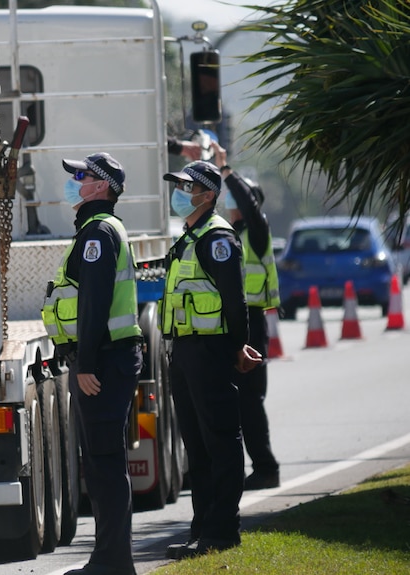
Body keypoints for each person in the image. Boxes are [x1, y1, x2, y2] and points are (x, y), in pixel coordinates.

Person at [41, 152, 142, 575]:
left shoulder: (98, 232)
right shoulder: (95, 229)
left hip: (102, 361)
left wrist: (84, 364)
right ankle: (110, 558)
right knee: (101, 462)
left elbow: (95, 302)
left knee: (103, 462)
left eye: (81, 176)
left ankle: (113, 561)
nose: (74, 181)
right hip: (105, 358)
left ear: (101, 186)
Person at [160, 160, 262, 560]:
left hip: (210, 348)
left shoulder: (217, 237)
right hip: (185, 350)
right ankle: (202, 527)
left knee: (219, 438)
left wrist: (239, 346)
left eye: (187, 187)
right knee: (196, 444)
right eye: (179, 186)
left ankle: (223, 530)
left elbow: (235, 301)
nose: (180, 193)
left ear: (207, 194)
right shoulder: (189, 236)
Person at [213, 145, 281, 490]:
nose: (229, 201)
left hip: (253, 321)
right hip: (240, 319)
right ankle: (251, 468)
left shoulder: (257, 229)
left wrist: (226, 171)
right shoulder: (232, 236)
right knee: (239, 400)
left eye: (234, 197)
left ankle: (266, 468)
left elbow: (250, 207)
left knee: (249, 400)